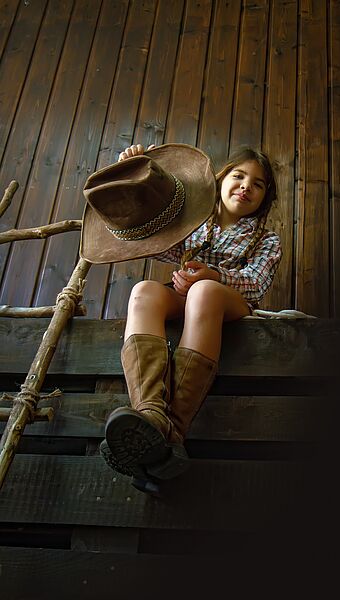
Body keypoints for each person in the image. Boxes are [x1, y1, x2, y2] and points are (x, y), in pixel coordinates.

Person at [83, 143, 282, 490]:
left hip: (229, 301)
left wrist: (213, 276)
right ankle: (151, 415)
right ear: (220, 179)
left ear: (264, 197)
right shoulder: (193, 221)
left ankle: (173, 427)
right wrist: (133, 179)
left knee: (203, 293)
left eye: (258, 184)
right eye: (238, 175)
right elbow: (148, 236)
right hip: (184, 295)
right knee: (144, 291)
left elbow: (255, 285)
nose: (246, 186)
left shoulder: (267, 239)